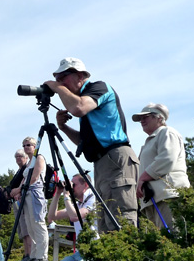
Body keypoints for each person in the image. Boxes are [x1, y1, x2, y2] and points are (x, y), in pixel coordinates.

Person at [44, 57, 139, 233]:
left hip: (116, 157)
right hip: (103, 163)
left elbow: (78, 108)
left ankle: (129, 259)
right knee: (105, 224)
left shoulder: (99, 88)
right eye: (58, 80)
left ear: (80, 75)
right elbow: (84, 142)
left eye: (63, 77)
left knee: (121, 217)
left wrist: (56, 88)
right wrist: (63, 128)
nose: (60, 83)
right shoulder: (86, 104)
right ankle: (112, 260)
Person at [22, 174, 96, 261]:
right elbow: (51, 217)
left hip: (94, 249)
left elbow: (75, 216)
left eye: (74, 185)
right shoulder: (77, 203)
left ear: (85, 185)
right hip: (81, 251)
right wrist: (58, 193)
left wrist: (67, 196)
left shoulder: (93, 200)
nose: (72, 187)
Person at [132, 104, 190, 230]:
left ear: (159, 118)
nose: (142, 121)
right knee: (160, 243)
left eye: (146, 117)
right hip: (154, 199)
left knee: (173, 237)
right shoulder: (150, 141)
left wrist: (143, 178)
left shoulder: (167, 132)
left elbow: (167, 158)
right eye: (140, 119)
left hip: (169, 195)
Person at [9, 137, 49, 261]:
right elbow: (25, 178)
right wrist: (18, 192)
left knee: (38, 223)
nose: (26, 147)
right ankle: (34, 254)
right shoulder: (29, 161)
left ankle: (42, 255)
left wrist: (19, 189)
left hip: (35, 193)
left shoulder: (39, 158)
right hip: (26, 193)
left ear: (34, 146)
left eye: (28, 145)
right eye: (24, 145)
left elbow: (34, 177)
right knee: (30, 225)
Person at [8, 149, 32, 261]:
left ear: (26, 157)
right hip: (17, 202)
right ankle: (26, 254)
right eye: (16, 156)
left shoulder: (26, 170)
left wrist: (16, 191)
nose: (18, 158)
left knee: (26, 228)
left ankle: (29, 254)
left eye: (20, 156)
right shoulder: (20, 171)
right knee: (22, 229)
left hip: (23, 201)